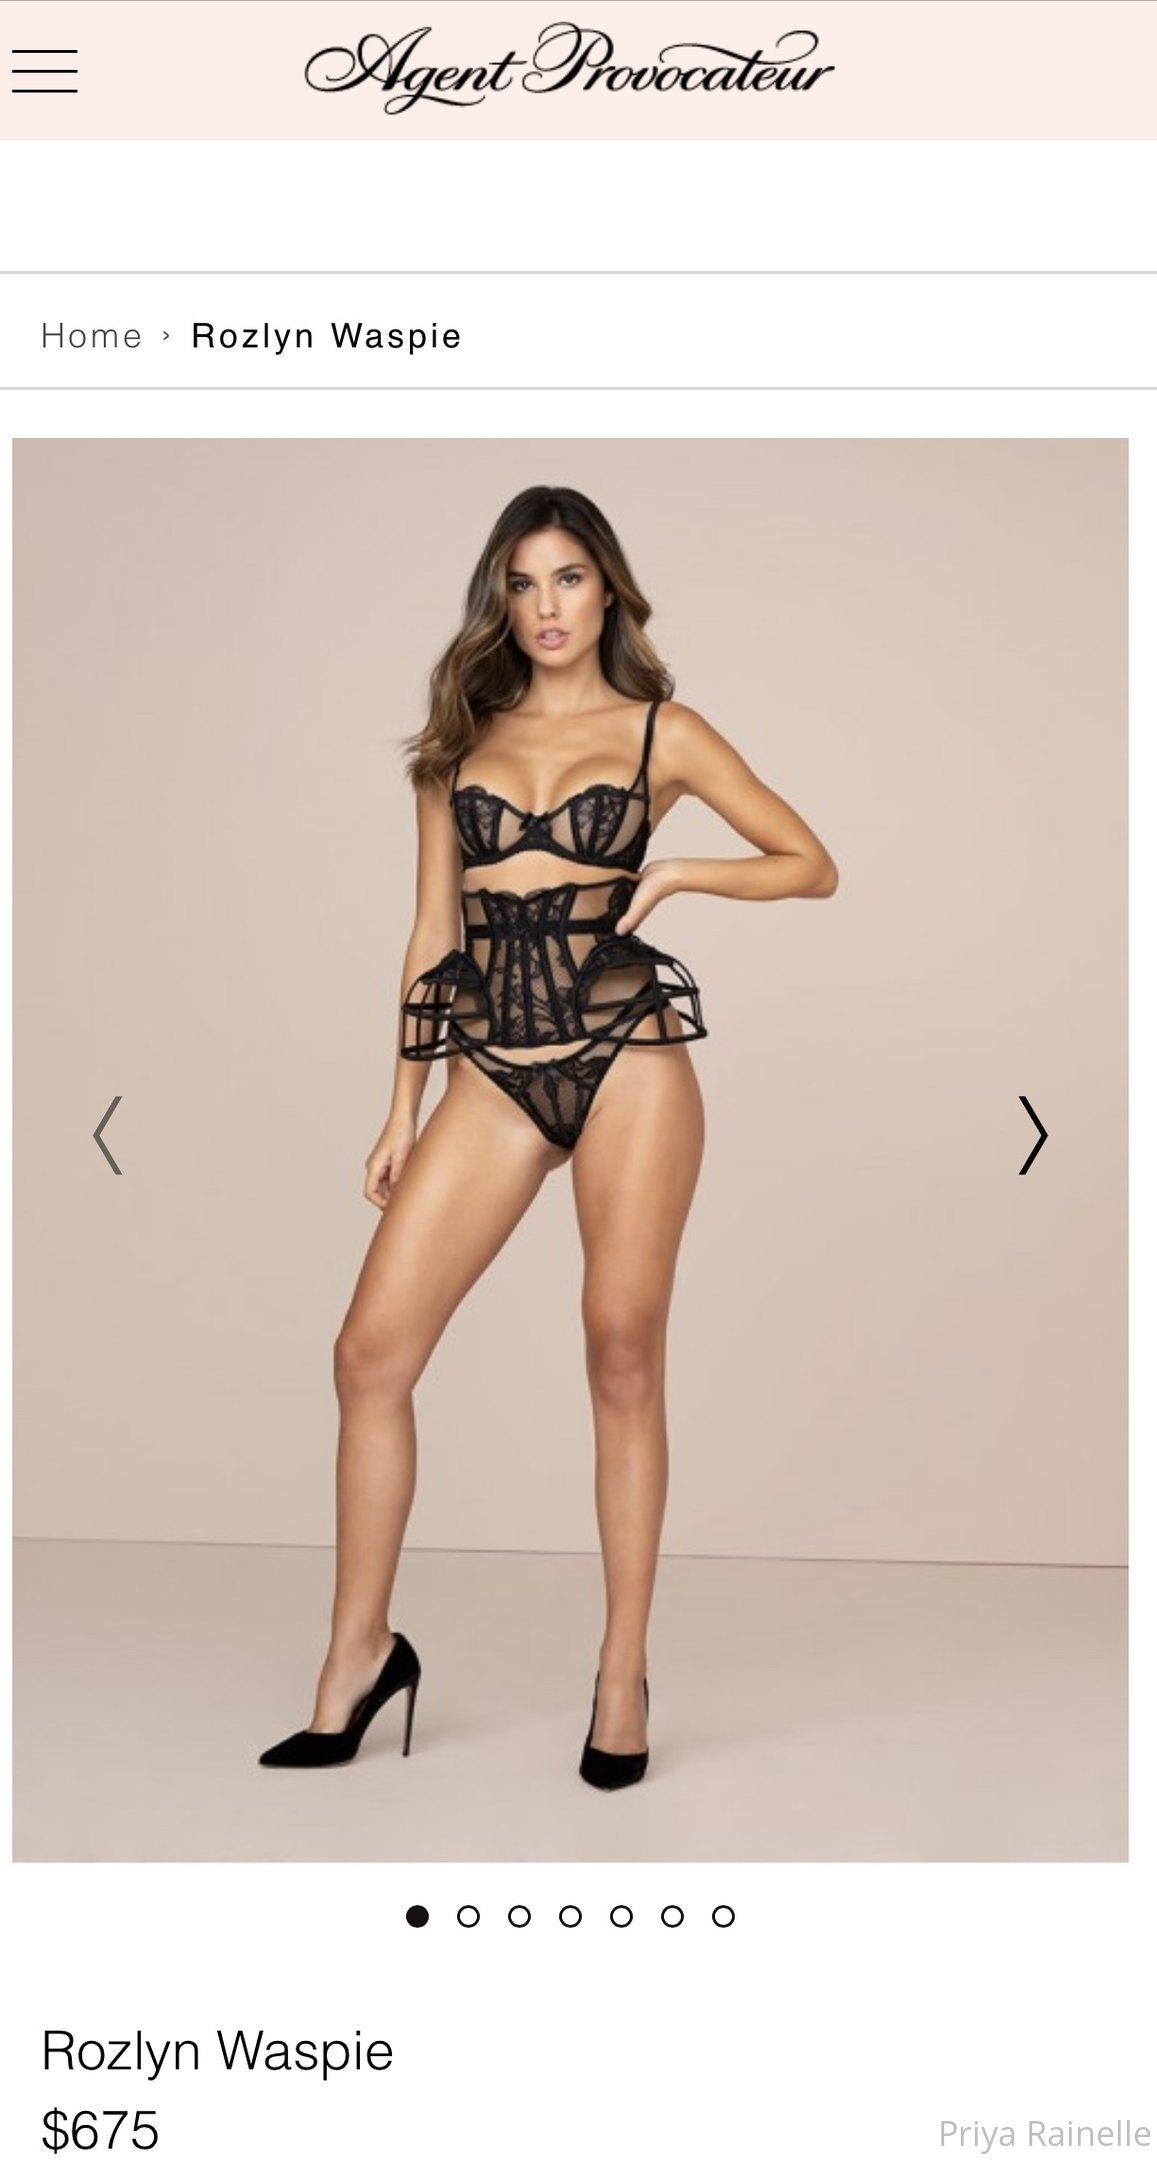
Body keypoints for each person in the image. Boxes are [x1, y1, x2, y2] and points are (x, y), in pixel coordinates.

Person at [259, 483, 838, 1786]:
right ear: (500, 601)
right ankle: (358, 1657)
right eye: (521, 584)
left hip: (628, 1052)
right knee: (368, 1356)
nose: (546, 606)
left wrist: (678, 873)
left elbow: (810, 862)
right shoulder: (455, 747)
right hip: (491, 1065)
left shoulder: (661, 732)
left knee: (621, 1350)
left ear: (607, 588)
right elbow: (431, 934)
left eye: (567, 578)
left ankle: (621, 1674)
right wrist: (400, 1107)